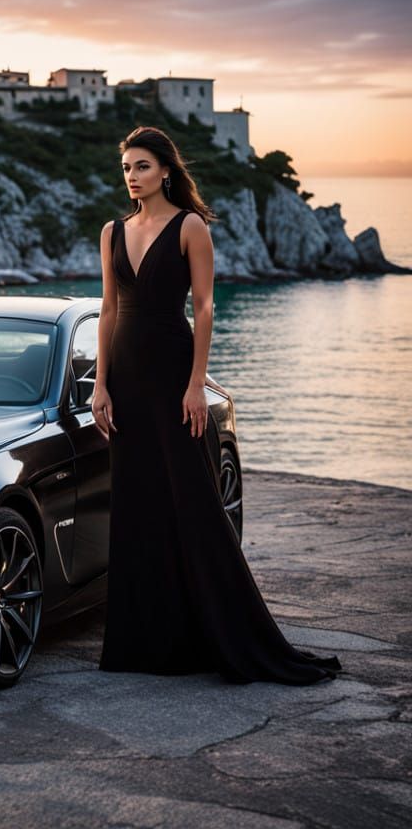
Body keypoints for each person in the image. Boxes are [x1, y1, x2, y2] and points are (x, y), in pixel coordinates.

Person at [92, 126, 342, 684]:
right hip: (127, 381)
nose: (131, 176)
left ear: (166, 171)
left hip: (173, 374)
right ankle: (146, 644)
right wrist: (100, 384)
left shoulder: (190, 227)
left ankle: (225, 633)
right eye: (126, 168)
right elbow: (108, 311)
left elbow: (204, 308)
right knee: (137, 508)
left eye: (141, 166)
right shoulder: (112, 232)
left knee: (193, 502)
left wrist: (195, 384)